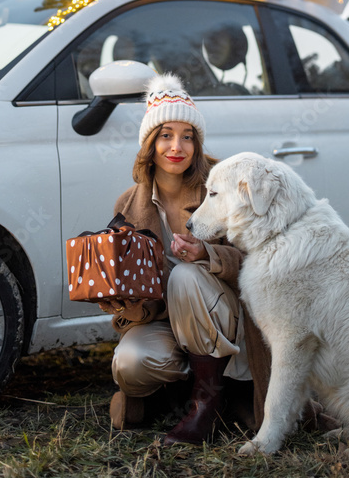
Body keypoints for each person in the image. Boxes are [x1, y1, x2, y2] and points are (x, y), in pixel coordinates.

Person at [99, 71, 253, 445]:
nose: (176, 146)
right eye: (166, 135)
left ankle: (207, 404)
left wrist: (207, 253)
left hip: (224, 317)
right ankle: (196, 387)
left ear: (197, 144)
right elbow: (135, 298)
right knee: (129, 364)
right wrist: (118, 297)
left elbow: (254, 261)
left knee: (185, 276)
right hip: (167, 321)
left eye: (188, 137)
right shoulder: (128, 203)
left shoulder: (220, 185)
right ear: (150, 143)